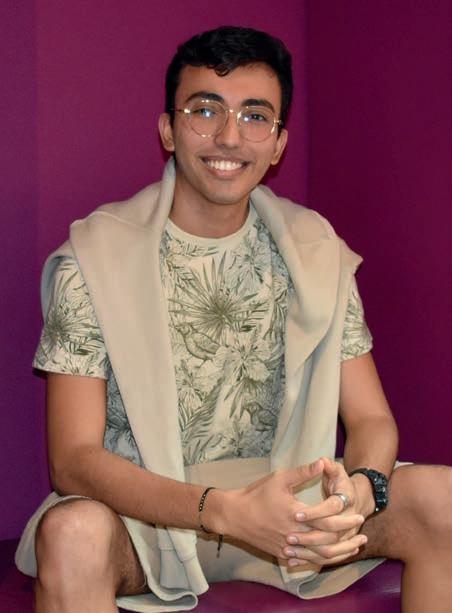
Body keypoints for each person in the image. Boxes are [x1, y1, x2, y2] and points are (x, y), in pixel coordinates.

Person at [15, 25, 452, 613]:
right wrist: (222, 510)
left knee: (444, 500)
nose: (228, 136)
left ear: (278, 144)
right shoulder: (93, 260)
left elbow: (372, 420)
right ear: (168, 130)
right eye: (204, 111)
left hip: (291, 510)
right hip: (149, 518)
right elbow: (73, 460)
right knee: (72, 534)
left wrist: (359, 491)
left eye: (255, 117)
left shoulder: (316, 252)